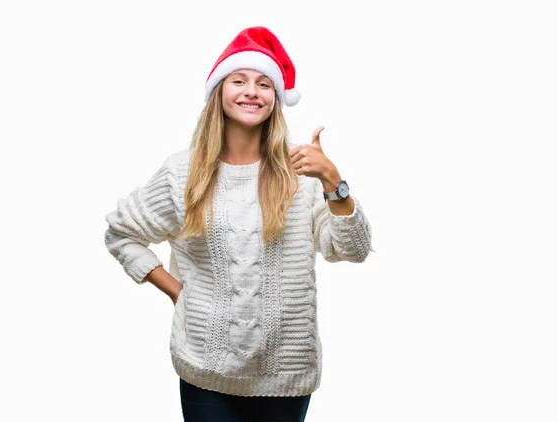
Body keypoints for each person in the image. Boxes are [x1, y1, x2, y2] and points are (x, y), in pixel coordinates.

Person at [104, 26, 373, 422]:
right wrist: (180, 293)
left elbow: (352, 250)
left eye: (264, 83)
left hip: (287, 372)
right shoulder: (184, 172)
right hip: (207, 371)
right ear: (219, 92)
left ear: (275, 100)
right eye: (239, 80)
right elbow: (122, 234)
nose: (252, 91)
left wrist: (333, 180)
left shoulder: (301, 172)